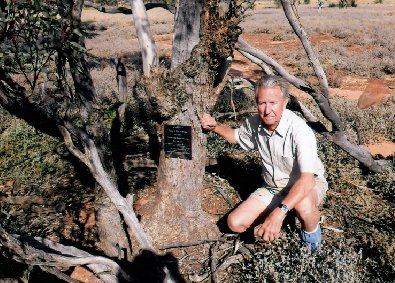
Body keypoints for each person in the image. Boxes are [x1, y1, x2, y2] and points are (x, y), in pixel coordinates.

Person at [201, 74, 328, 251]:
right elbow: (235, 136)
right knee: (235, 223)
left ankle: (312, 244)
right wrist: (215, 127)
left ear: (284, 103)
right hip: (273, 188)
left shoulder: (299, 130)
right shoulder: (255, 123)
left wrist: (278, 213)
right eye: (262, 103)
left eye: (273, 103)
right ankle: (285, 218)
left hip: (304, 186)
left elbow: (307, 181)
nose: (267, 110)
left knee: (303, 205)